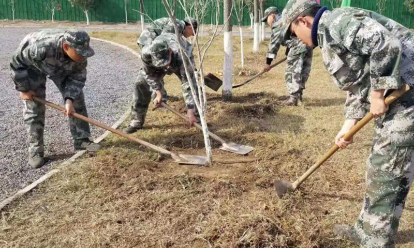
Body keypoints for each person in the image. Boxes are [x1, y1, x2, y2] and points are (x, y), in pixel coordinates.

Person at [280, 0, 414, 247]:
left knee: (388, 168)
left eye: (292, 32)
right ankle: (367, 230)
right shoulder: (328, 36)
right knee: (383, 168)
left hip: (408, 92)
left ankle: (375, 241)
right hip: (399, 98)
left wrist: (376, 95)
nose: (296, 39)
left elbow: (385, 44)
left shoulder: (338, 23)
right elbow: (357, 81)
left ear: (302, 21)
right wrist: (347, 125)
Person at [9, 29, 101, 169]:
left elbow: (78, 78)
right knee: (34, 107)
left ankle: (82, 140)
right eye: (80, 53)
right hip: (34, 65)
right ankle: (36, 150)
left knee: (77, 101)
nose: (83, 56)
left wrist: (69, 100)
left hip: (62, 66)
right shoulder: (41, 47)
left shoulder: (80, 56)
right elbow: (17, 62)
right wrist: (24, 88)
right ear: (66, 47)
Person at [124, 29, 199, 134]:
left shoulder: (182, 56)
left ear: (170, 52)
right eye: (161, 64)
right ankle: (136, 121)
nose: (165, 66)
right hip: (160, 60)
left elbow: (188, 84)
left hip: (178, 59)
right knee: (140, 83)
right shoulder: (146, 53)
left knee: (193, 85)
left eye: (165, 63)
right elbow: (149, 75)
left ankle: (196, 118)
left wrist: (190, 110)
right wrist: (158, 93)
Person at [263, 6, 313, 106]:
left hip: (297, 47)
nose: (267, 23)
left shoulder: (278, 23)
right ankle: (298, 95)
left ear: (272, 15)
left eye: (266, 19)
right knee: (303, 70)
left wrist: (268, 63)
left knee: (292, 71)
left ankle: (293, 98)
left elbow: (273, 46)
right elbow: (291, 36)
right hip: (308, 44)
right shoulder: (288, 18)